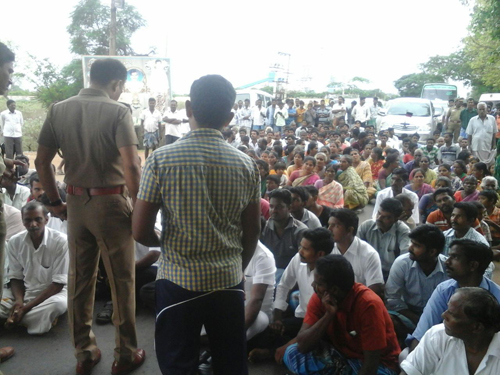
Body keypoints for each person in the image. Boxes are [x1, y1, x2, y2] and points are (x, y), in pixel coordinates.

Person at [131, 75, 262, 375]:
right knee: (230, 360)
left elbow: (139, 231)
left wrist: (167, 243)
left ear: (189, 108)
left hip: (178, 280)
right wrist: (235, 266)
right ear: (230, 117)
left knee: (178, 361)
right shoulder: (246, 165)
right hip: (228, 280)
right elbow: (252, 231)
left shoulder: (161, 160)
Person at [36, 58, 144, 375]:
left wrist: (55, 203)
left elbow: (43, 163)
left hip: (74, 203)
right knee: (121, 281)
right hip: (111, 204)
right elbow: (132, 165)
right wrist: (138, 207)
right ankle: (125, 354)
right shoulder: (119, 111)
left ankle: (84, 352)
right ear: (116, 84)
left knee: (80, 280)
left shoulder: (58, 109)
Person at [283, 255, 400, 375]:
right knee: (291, 353)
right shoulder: (320, 297)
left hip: (378, 365)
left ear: (334, 290)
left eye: (318, 283)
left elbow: (371, 365)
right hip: (341, 357)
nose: (313, 285)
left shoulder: (369, 304)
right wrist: (328, 315)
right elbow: (302, 346)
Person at [405, 239, 500, 354]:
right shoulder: (444, 290)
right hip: (443, 350)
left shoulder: (496, 296)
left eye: (455, 257)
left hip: (484, 356)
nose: (447, 262)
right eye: (449, 256)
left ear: (473, 265)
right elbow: (422, 333)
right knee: (405, 356)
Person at [0, 201, 68, 334]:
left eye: (38, 219)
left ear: (46, 219)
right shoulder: (15, 242)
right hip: (25, 291)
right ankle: (34, 320)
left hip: (53, 294)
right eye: (28, 220)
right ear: (22, 221)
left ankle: (17, 318)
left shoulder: (61, 242)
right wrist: (19, 301)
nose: (33, 225)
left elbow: (58, 284)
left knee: (58, 305)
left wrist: (25, 308)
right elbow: (15, 277)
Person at [401, 287, 500, 375]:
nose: (444, 315)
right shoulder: (437, 336)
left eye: (452, 314)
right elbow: (409, 372)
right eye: (447, 309)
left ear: (477, 327)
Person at [385, 225, 448, 329]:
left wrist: (430, 321)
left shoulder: (448, 268)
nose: (410, 248)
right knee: (389, 320)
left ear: (432, 252)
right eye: (411, 243)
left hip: (438, 316)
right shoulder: (402, 263)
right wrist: (418, 320)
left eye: (417, 246)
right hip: (408, 313)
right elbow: (392, 298)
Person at [329, 209, 384, 295]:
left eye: (335, 226)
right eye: (329, 225)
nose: (329, 229)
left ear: (350, 230)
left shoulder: (369, 255)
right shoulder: (328, 249)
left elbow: (374, 290)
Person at [357, 198, 410, 279]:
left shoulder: (403, 231)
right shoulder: (366, 226)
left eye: (386, 217)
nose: (379, 218)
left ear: (396, 219)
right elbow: (355, 249)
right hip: (367, 269)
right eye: (378, 213)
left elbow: (405, 258)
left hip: (392, 273)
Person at [261, 189, 307, 281]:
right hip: (266, 272)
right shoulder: (264, 228)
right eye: (271, 206)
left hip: (292, 276)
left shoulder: (300, 231)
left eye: (279, 207)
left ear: (289, 208)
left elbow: (303, 263)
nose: (274, 210)